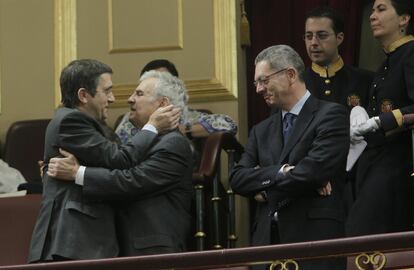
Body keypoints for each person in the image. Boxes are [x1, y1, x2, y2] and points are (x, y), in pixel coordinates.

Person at [28, 59, 179, 262]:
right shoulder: (71, 121)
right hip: (72, 241)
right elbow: (120, 159)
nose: (113, 98)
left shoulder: (92, 124)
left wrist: (77, 172)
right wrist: (152, 126)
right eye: (106, 91)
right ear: (83, 95)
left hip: (83, 242)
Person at [230, 45, 349, 270]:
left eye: (263, 80)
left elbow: (313, 171)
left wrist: (263, 187)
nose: (258, 89)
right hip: (267, 248)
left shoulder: (331, 115)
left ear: (290, 75)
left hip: (314, 245)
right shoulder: (260, 130)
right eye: (256, 82)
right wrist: (283, 172)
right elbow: (237, 178)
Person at [346, 0, 414, 236]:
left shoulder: (411, 54)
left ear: (404, 19)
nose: (372, 16)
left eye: (381, 9)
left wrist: (381, 121)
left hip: (399, 163)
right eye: (372, 10)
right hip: (375, 163)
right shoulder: (386, 64)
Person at [115, 59, 237, 145]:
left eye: (165, 81)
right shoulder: (132, 119)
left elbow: (229, 124)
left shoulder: (187, 116)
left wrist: (184, 130)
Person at [304, 6, 373, 110]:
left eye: (322, 36)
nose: (313, 43)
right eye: (309, 36)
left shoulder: (365, 80)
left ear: (339, 38)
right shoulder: (296, 84)